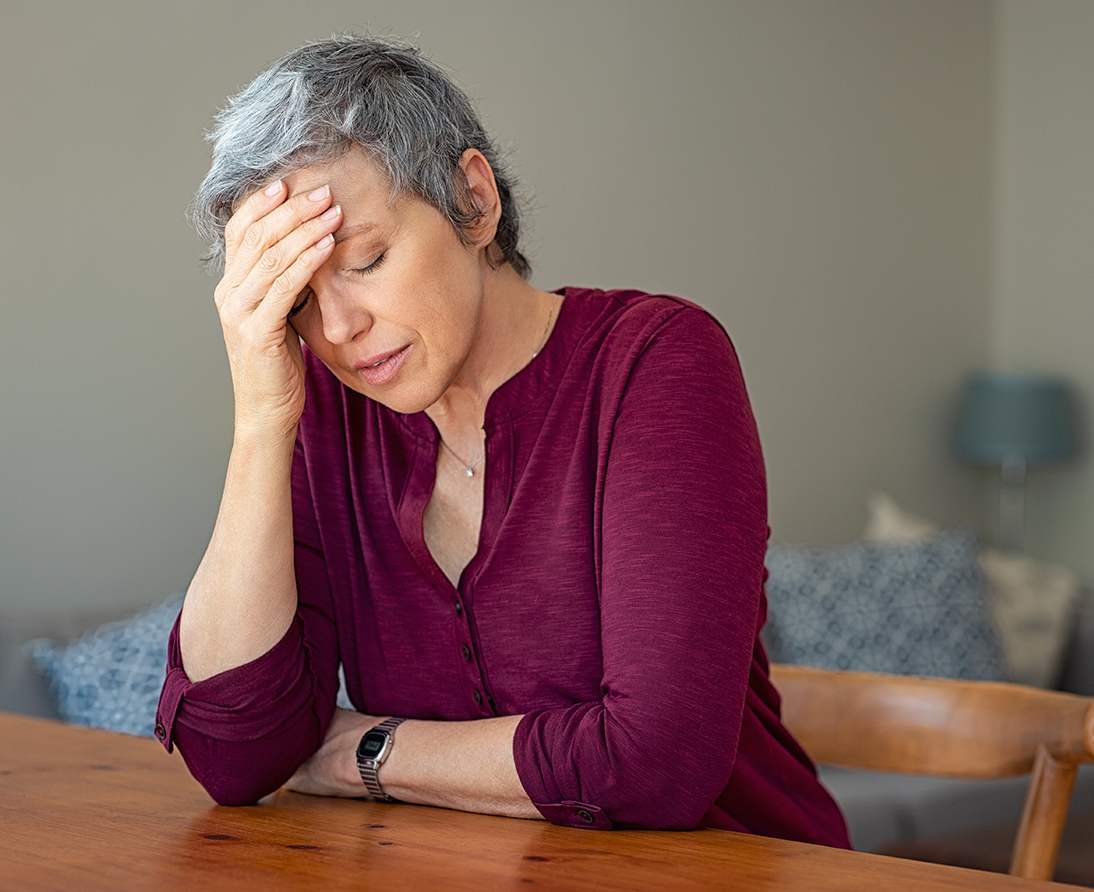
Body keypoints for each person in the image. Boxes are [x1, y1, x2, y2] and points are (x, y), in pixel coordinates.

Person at [155, 34, 850, 845]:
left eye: (367, 259)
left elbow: (657, 761)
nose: (338, 329)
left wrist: (358, 751)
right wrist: (260, 424)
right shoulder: (327, 415)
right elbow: (235, 760)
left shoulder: (656, 363)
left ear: (473, 201)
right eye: (296, 302)